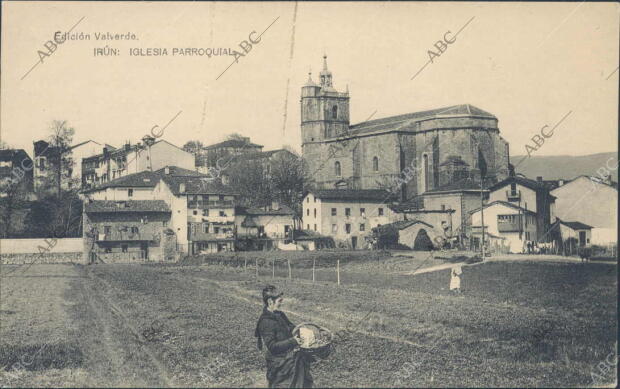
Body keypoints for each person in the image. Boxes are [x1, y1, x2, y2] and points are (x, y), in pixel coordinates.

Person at [255, 285, 314, 388]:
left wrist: (304, 331)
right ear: (270, 301)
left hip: (289, 355)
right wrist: (293, 341)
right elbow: (273, 347)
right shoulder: (266, 322)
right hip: (279, 362)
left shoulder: (280, 314)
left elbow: (291, 327)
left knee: (303, 375)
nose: (281, 304)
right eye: (279, 301)